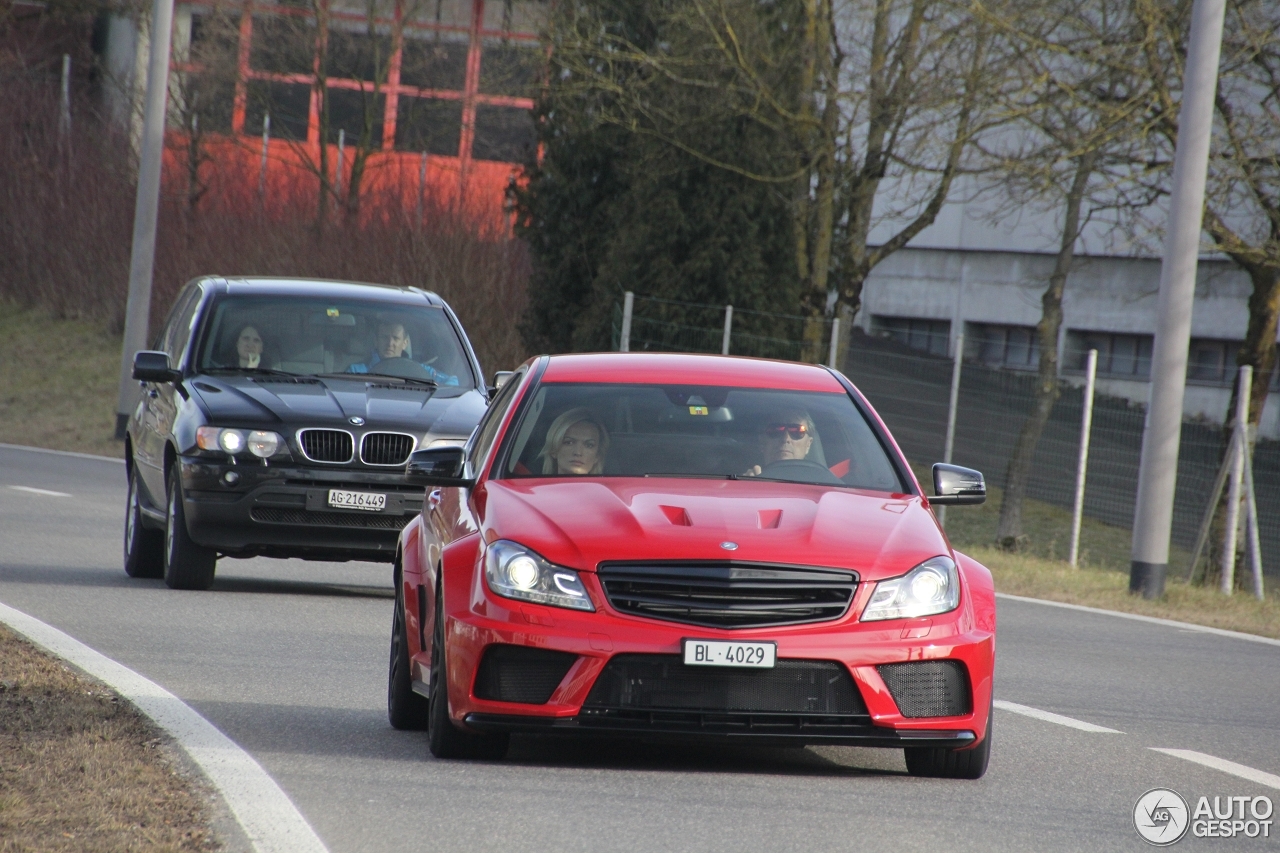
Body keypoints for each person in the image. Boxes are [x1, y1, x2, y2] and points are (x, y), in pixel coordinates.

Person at [348, 319, 459, 385]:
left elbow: (453, 382)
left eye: (395, 338)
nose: (390, 343)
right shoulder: (356, 371)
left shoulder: (420, 370)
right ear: (376, 341)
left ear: (405, 343)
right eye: (385, 337)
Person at [743, 409, 817, 477]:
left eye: (797, 431)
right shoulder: (745, 485)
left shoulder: (821, 484)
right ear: (762, 442)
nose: (785, 439)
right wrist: (748, 486)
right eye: (775, 430)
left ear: (808, 444)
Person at [539, 408, 609, 475]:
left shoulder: (610, 487)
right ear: (553, 450)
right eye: (569, 442)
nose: (578, 452)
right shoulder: (533, 486)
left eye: (589, 445)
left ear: (597, 456)